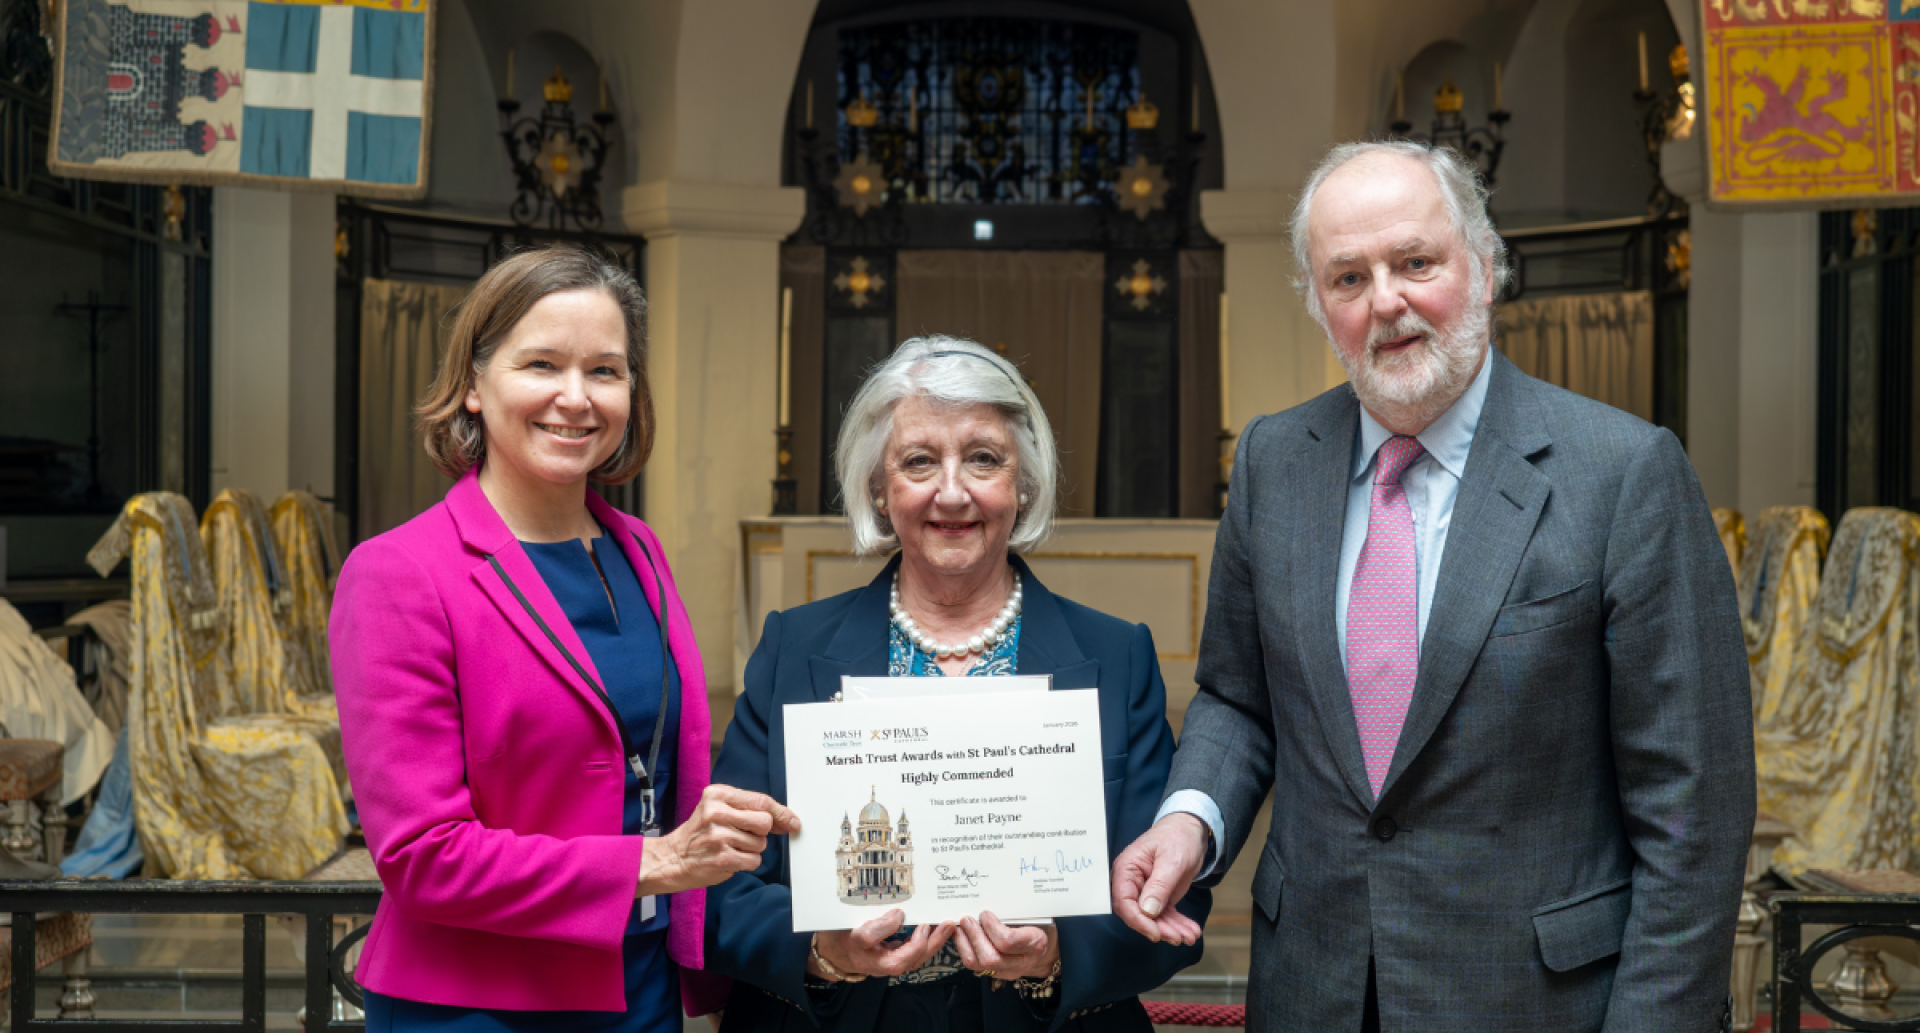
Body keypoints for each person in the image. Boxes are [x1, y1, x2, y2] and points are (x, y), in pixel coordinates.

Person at [1110, 143, 1754, 1032]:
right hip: (1311, 991)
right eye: (1347, 278)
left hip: (1536, 1002)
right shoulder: (1271, 461)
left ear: (1486, 268)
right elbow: (1238, 696)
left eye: (1416, 263)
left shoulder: (1624, 474)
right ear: (1318, 306)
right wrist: (1190, 823)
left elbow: (1694, 813)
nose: (1387, 301)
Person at [331, 246, 796, 1032]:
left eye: (605, 372)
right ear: (474, 386)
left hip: (638, 983)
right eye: (541, 364)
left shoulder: (638, 550)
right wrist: (659, 862)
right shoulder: (399, 573)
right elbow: (422, 856)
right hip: (476, 1003)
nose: (575, 399)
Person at [706, 336, 1208, 1032]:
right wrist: (821, 949)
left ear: (1023, 481)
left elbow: (1170, 892)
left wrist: (1057, 954)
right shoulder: (795, 647)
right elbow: (722, 883)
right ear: (879, 489)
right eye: (918, 461)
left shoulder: (1116, 655)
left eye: (983, 458)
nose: (952, 491)